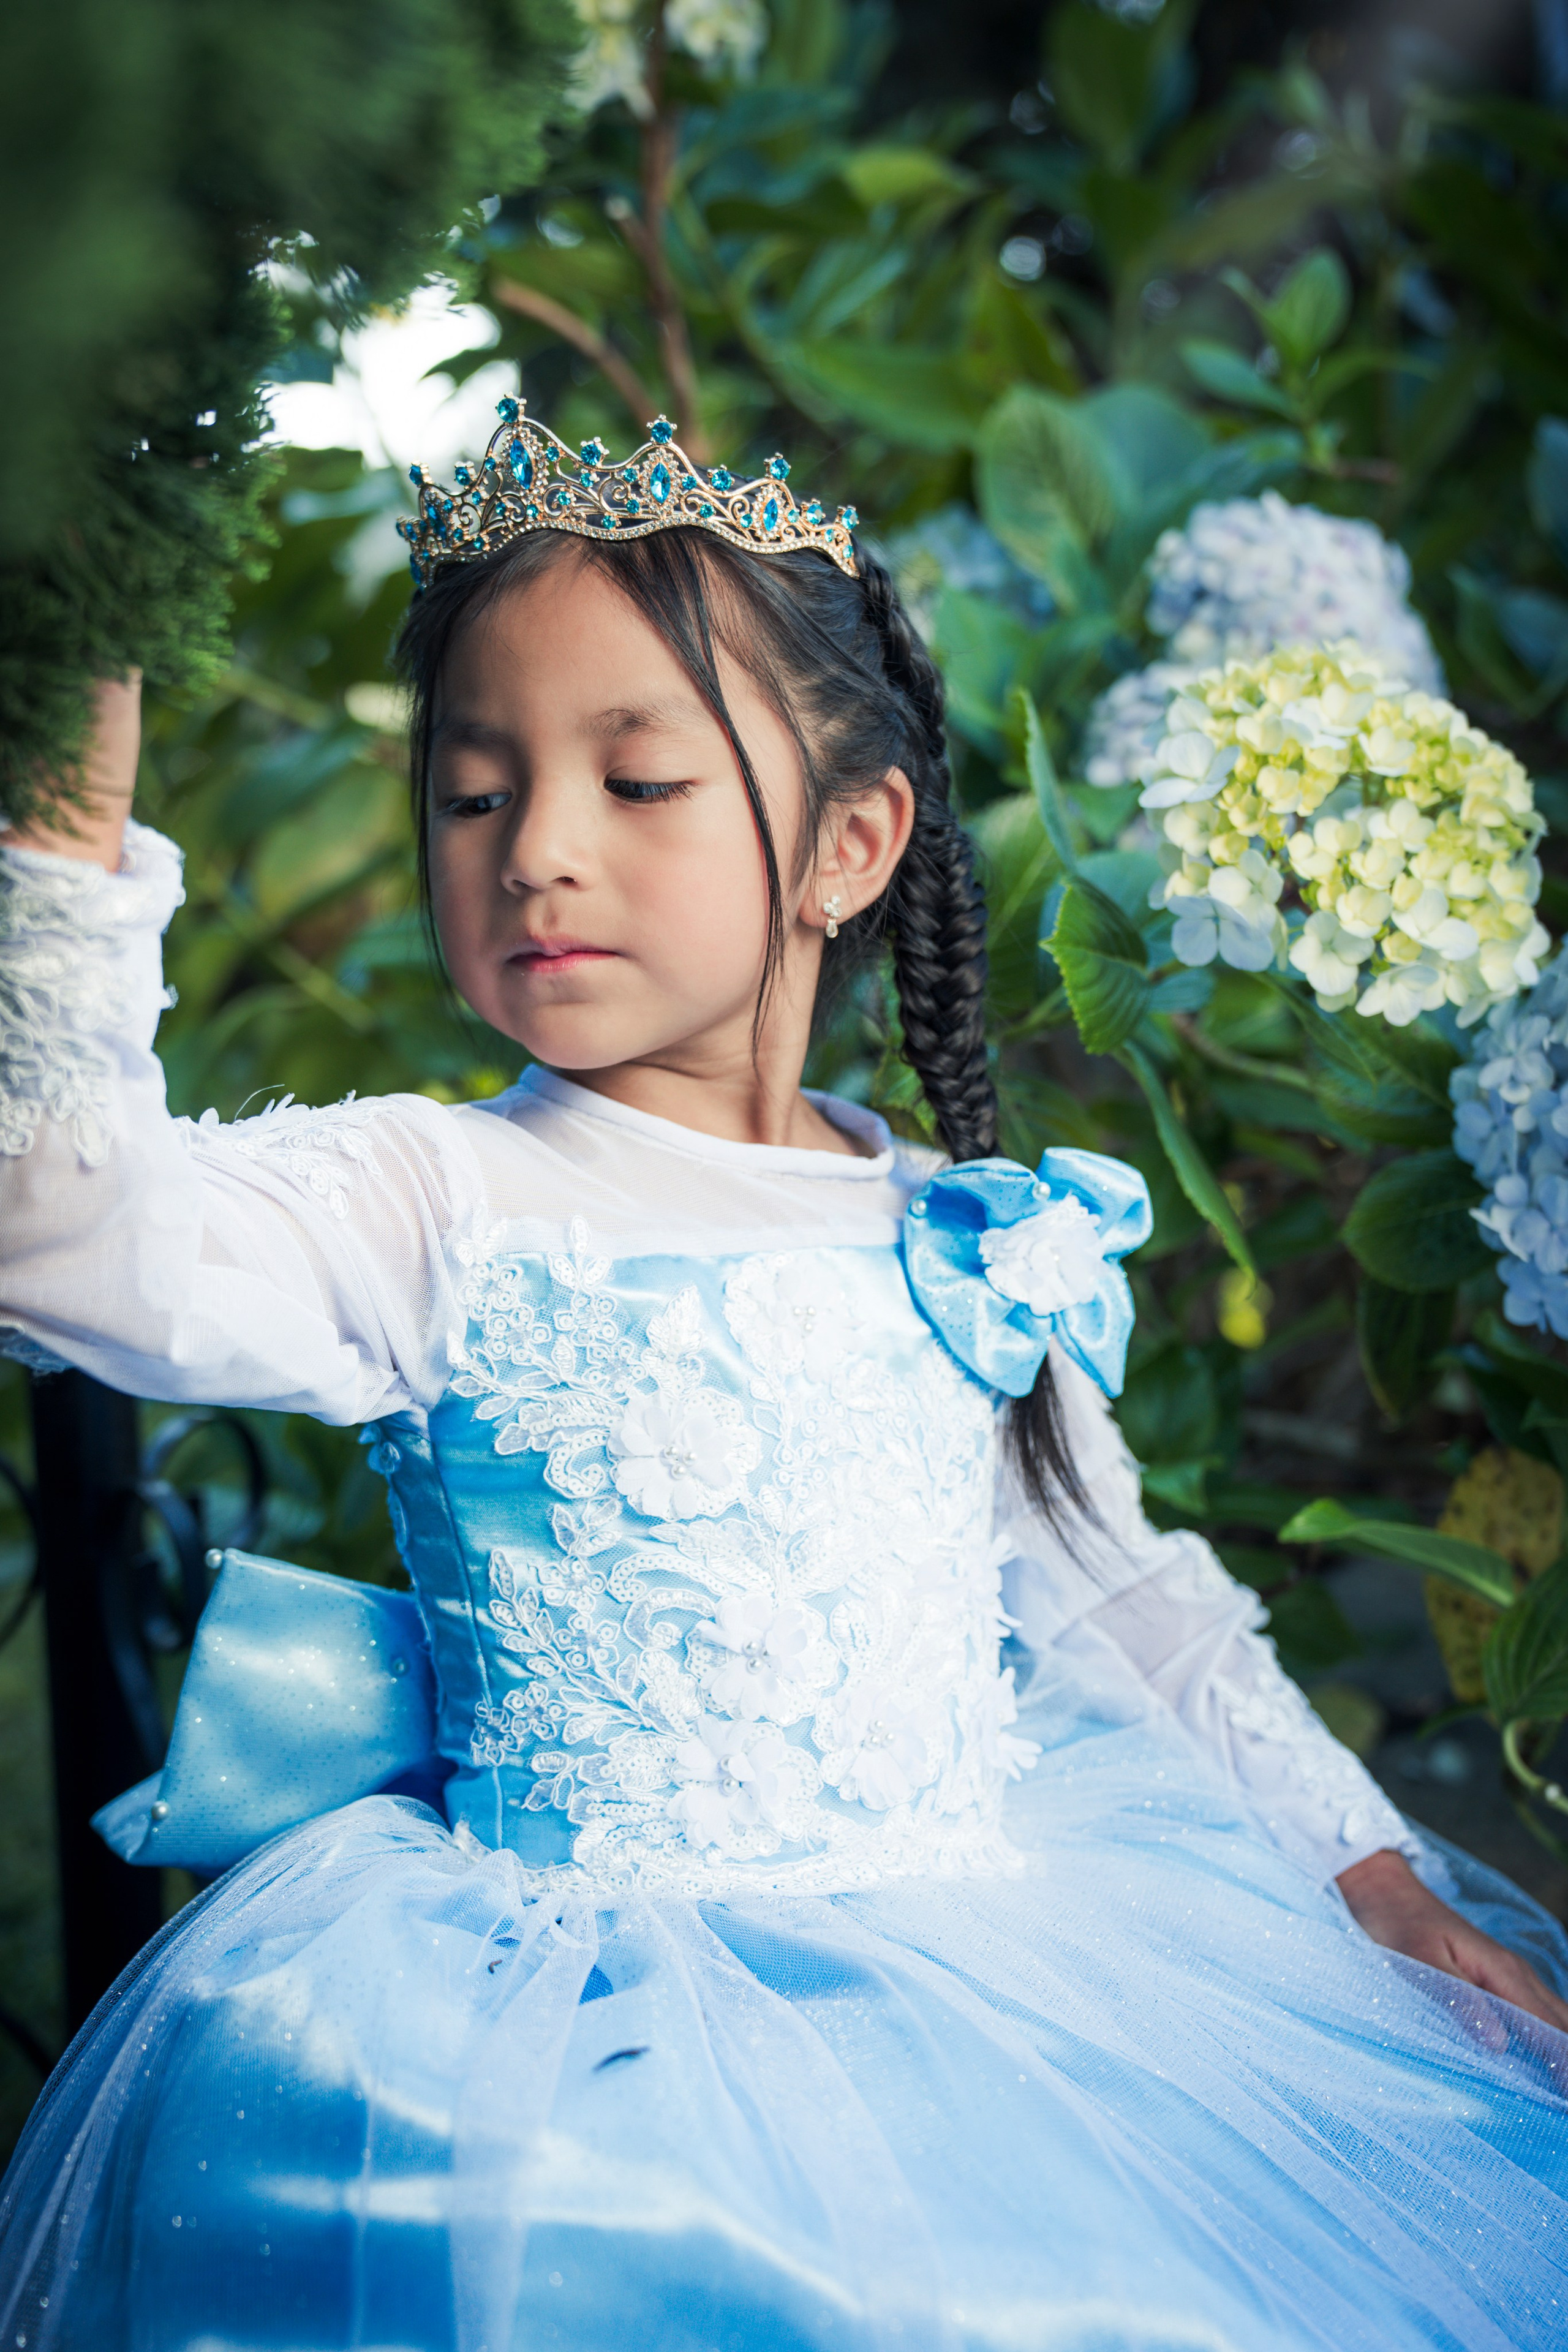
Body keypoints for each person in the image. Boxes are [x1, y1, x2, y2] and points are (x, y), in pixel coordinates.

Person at [1, 407, 1565, 2352]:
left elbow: (1133, 1606)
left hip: (1032, 2007)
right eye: (475, 794)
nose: (539, 850)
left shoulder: (967, 1236)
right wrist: (67, 785)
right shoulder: (430, 1195)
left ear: (850, 841)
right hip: (586, 2074)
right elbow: (55, 1230)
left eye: (638, 780)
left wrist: (1364, 1870)